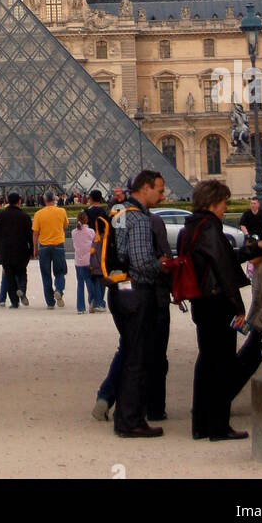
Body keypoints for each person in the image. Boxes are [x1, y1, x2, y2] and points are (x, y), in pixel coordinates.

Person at [180, 180, 262, 442]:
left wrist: (255, 248)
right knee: (222, 366)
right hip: (217, 304)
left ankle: (200, 424)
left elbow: (224, 256)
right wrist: (238, 307)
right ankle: (218, 427)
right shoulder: (211, 228)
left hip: (201, 303)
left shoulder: (190, 227)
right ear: (213, 203)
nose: (225, 208)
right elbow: (224, 270)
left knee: (206, 363)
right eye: (224, 203)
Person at [92, 170, 169, 437]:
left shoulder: (118, 213)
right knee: (138, 358)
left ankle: (124, 417)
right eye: (159, 190)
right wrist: (161, 266)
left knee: (129, 354)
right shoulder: (137, 219)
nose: (163, 195)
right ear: (144, 188)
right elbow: (140, 261)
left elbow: (121, 253)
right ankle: (130, 421)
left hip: (118, 292)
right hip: (137, 293)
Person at [229, 249, 262, 399]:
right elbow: (257, 302)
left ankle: (224, 397)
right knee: (245, 362)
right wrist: (249, 323)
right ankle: (225, 397)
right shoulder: (259, 270)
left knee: (248, 362)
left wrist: (256, 324)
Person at [146, 203, 173, 422]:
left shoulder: (120, 220)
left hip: (131, 298)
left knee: (134, 353)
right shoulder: (154, 222)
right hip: (157, 297)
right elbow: (166, 260)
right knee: (158, 357)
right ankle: (155, 408)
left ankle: (123, 402)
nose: (163, 195)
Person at [0, 192, 33, 308]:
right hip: (21, 251)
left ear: (7, 201)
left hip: (5, 252)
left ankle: (14, 302)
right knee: (22, 273)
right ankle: (22, 290)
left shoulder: (0, 216)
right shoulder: (25, 216)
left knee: (9, 278)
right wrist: (32, 251)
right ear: (19, 201)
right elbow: (30, 235)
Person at [32, 190, 70, 308]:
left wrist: (35, 248)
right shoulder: (62, 211)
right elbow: (65, 225)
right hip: (58, 245)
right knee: (60, 272)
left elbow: (35, 234)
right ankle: (58, 289)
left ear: (44, 200)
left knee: (46, 275)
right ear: (54, 199)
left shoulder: (38, 214)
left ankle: (50, 302)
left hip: (44, 247)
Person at [84, 189, 109, 313]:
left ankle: (93, 299)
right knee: (102, 272)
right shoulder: (104, 212)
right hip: (102, 245)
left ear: (91, 198)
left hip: (90, 244)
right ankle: (100, 301)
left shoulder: (86, 212)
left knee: (91, 273)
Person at [72, 211, 95, 313]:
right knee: (89, 282)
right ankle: (92, 301)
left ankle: (80, 308)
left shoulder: (73, 232)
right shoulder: (91, 232)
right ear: (86, 220)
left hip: (78, 261)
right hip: (89, 260)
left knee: (80, 284)